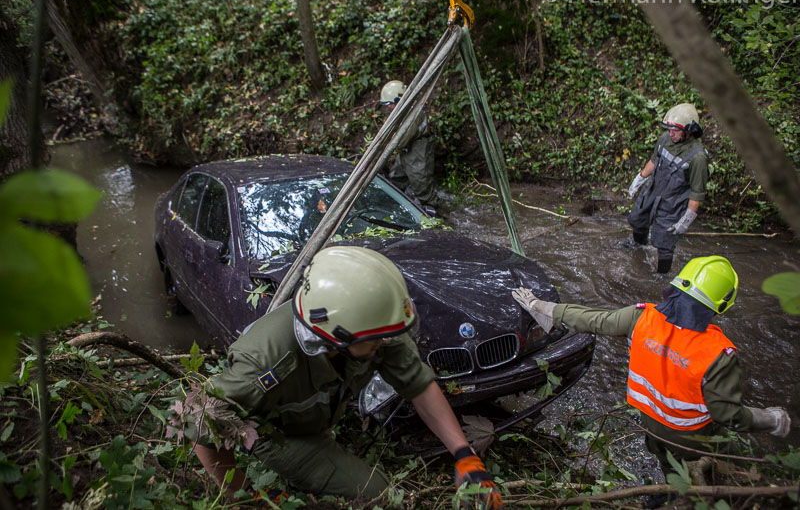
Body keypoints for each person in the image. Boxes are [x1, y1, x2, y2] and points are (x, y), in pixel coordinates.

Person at [192, 246, 502, 508]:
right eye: (377, 339)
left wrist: (464, 456)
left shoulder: (371, 328)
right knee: (378, 495)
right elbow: (200, 422)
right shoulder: (266, 363)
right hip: (276, 432)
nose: (385, 343)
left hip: (319, 416)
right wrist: (247, 496)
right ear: (334, 336)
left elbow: (418, 385)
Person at [512, 255, 792, 476]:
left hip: (652, 429)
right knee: (731, 456)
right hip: (694, 438)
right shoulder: (719, 355)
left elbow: (593, 319)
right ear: (721, 304)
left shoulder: (641, 319)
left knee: (669, 465)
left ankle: (669, 493)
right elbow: (728, 416)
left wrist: (542, 307)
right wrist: (771, 420)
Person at [627, 103, 709, 273]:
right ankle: (638, 247)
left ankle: (662, 275)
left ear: (689, 130)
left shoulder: (698, 157)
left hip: (672, 203)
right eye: (669, 129)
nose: (671, 133)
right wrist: (639, 179)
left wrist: (685, 221)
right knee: (637, 219)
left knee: (664, 241)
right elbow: (653, 161)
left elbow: (696, 193)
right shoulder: (666, 139)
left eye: (675, 130)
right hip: (653, 190)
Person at [379, 80, 439, 208]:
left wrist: (386, 145)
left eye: (390, 103)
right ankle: (396, 204)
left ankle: (433, 211)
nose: (389, 107)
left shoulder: (413, 113)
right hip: (406, 149)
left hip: (419, 148)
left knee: (420, 181)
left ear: (399, 98)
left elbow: (400, 141)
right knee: (397, 177)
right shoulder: (402, 110)